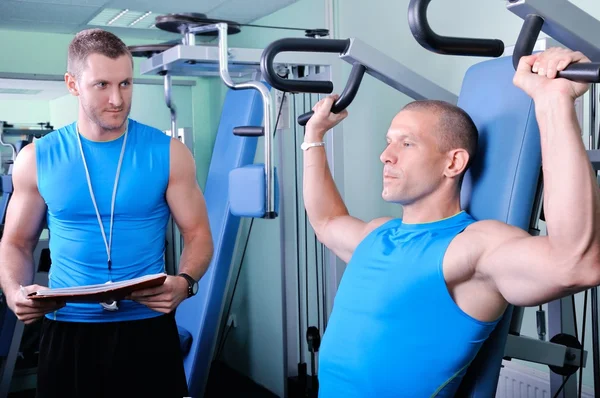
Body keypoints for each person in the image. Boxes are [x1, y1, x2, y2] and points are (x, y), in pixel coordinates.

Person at [302, 47, 600, 396]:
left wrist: (553, 103)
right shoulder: (377, 234)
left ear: (453, 163)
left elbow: (576, 264)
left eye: (406, 143)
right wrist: (313, 138)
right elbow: (326, 220)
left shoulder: (470, 247)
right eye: (388, 142)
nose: (386, 155)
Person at [0, 29, 213, 397]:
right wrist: (13, 291)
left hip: (147, 328)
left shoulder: (169, 153)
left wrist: (186, 282)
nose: (117, 99)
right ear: (73, 84)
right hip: (68, 328)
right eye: (102, 84)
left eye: (126, 83)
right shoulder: (37, 158)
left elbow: (198, 235)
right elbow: (17, 242)